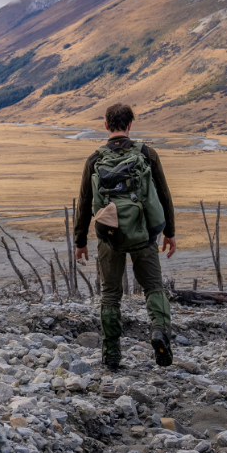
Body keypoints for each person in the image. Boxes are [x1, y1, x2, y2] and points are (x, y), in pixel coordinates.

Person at [74, 103, 177, 368]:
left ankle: (111, 356)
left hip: (109, 236)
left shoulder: (95, 159)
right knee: (154, 287)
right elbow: (163, 195)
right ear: (130, 125)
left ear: (106, 125)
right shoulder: (147, 154)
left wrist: (80, 241)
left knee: (110, 295)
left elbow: (84, 203)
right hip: (143, 233)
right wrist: (169, 233)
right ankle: (159, 332)